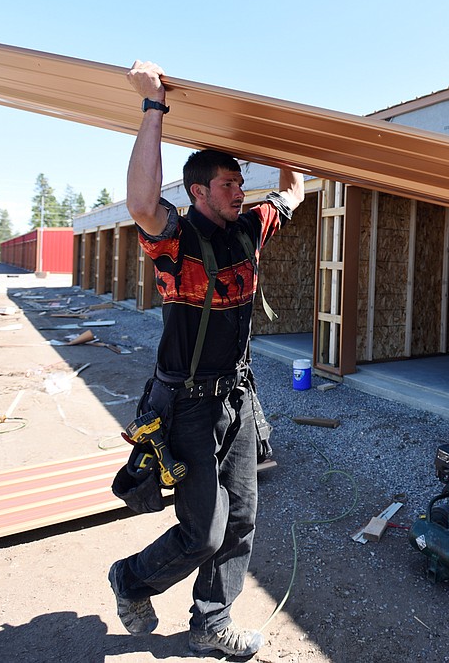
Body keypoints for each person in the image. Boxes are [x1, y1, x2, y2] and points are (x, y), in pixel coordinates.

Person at [108, 60, 305, 657]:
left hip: (239, 397)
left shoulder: (250, 227)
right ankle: (131, 579)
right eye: (228, 185)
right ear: (198, 191)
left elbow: (293, 191)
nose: (240, 193)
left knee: (241, 519)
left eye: (240, 184)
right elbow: (141, 198)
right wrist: (152, 107)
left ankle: (210, 621)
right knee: (204, 531)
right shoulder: (174, 238)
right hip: (186, 406)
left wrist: (286, 145)